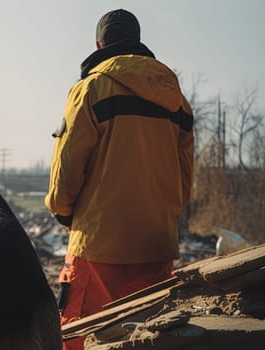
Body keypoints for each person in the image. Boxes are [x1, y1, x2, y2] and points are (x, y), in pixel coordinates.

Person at [45, 9, 194, 350]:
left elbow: (66, 173)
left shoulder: (90, 90)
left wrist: (64, 211)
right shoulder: (178, 102)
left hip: (97, 246)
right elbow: (184, 184)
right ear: (137, 43)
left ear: (99, 44)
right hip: (156, 246)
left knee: (79, 338)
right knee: (146, 340)